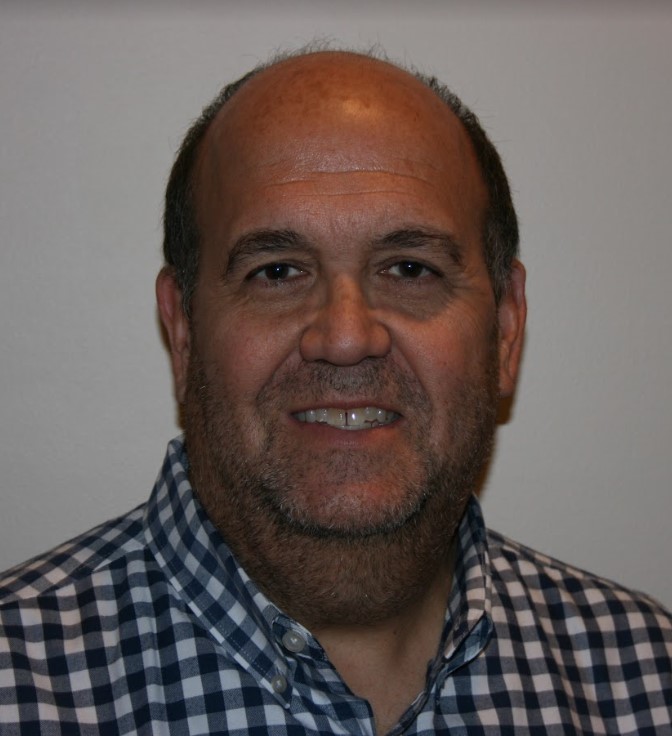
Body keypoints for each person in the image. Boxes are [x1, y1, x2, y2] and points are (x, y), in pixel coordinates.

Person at [0, 49, 670, 736]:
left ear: (505, 329)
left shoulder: (649, 677)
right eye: (276, 271)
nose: (347, 338)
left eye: (409, 269)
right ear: (183, 331)